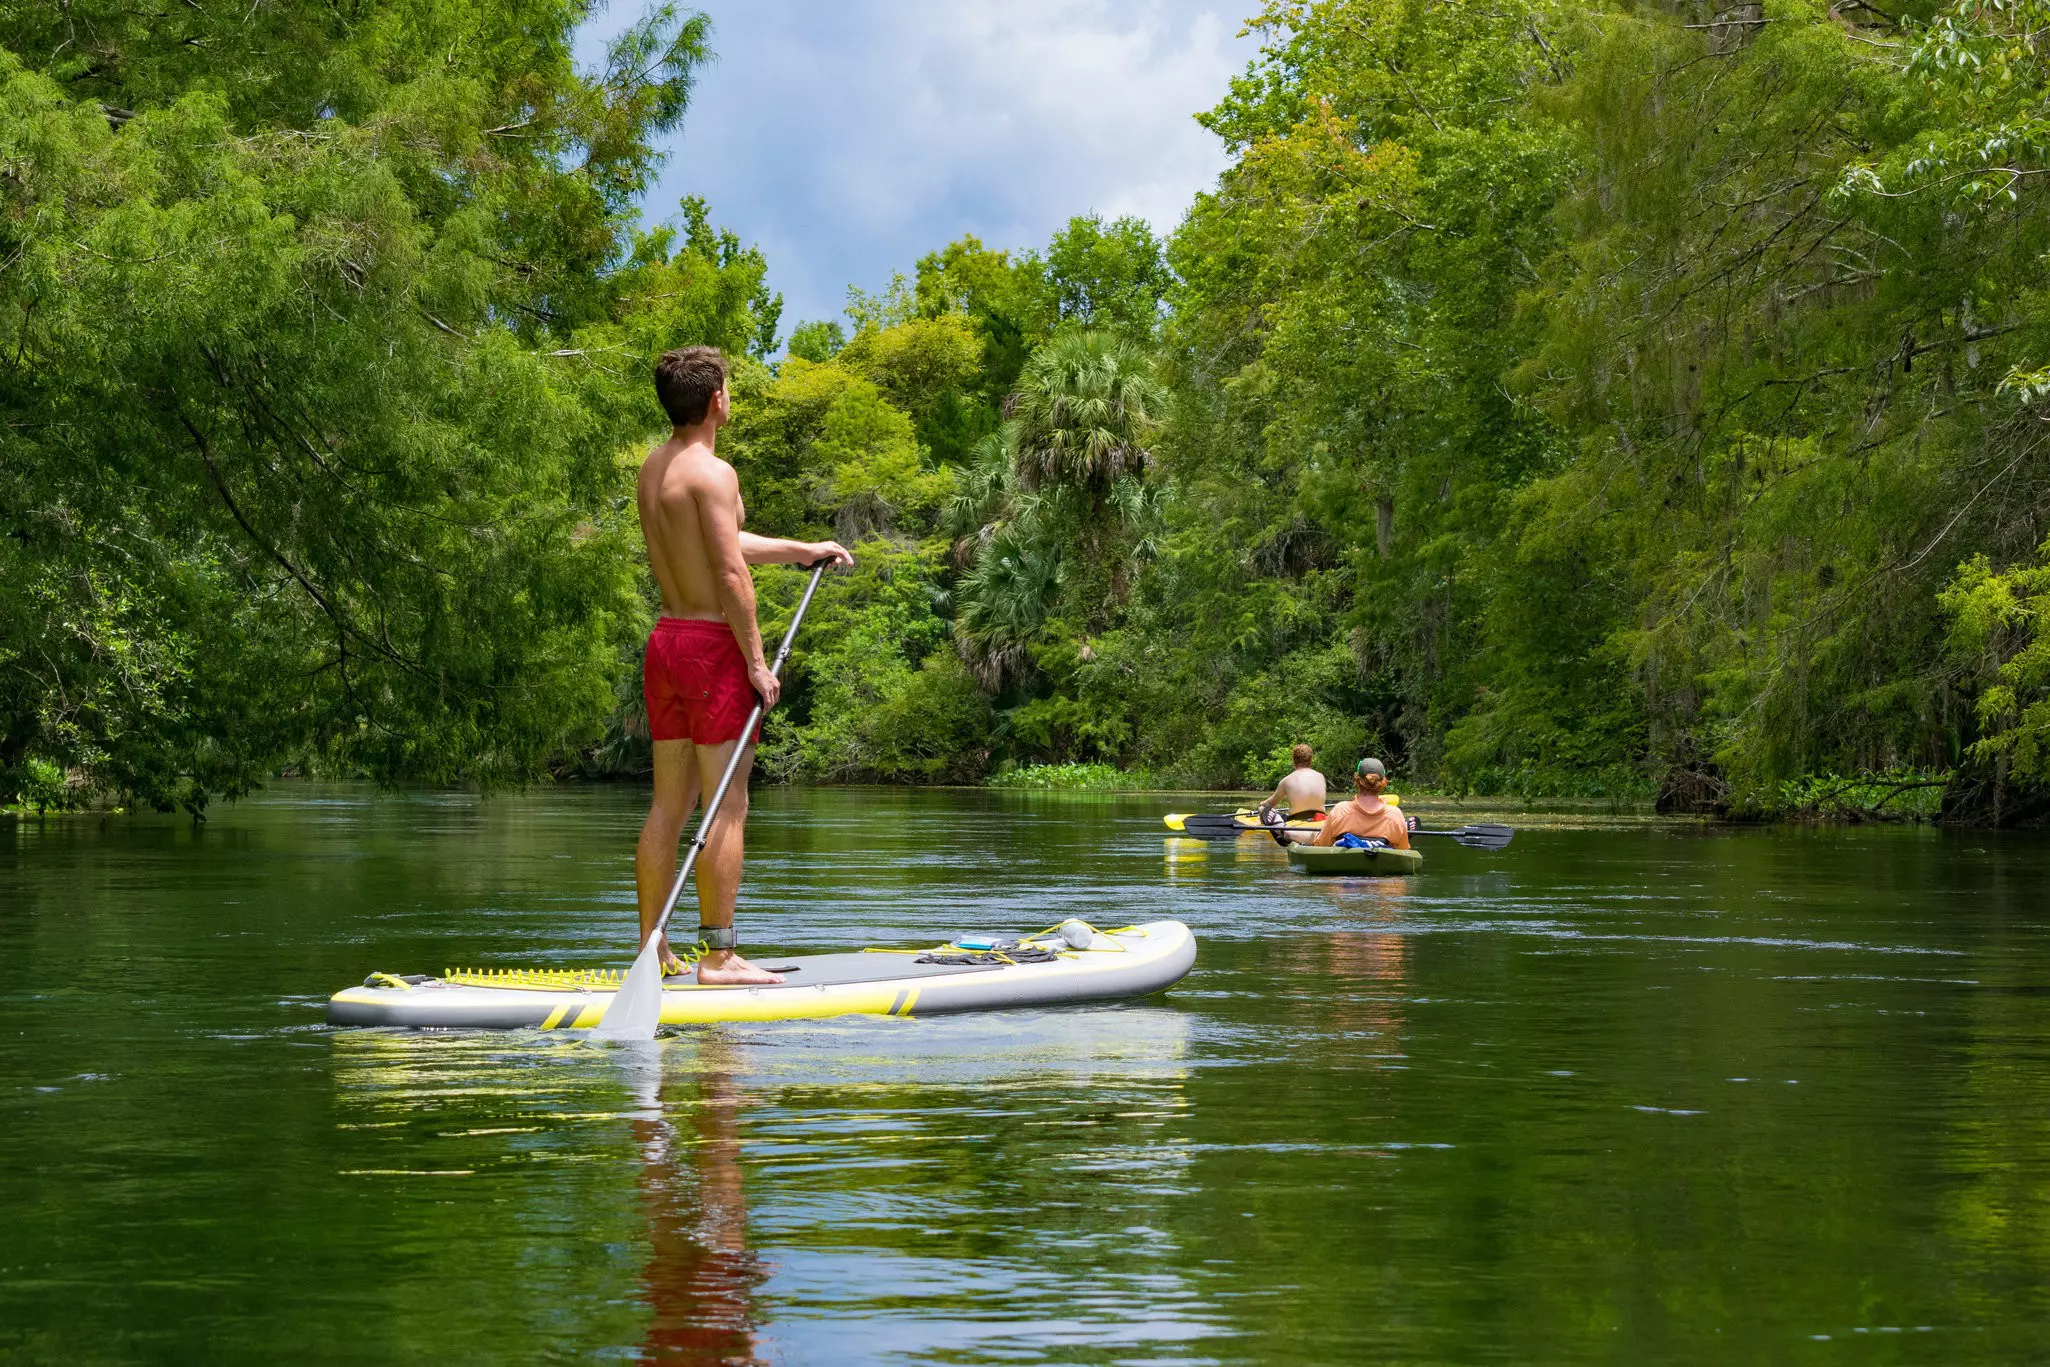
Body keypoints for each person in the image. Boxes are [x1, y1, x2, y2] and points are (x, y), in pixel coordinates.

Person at [635, 345, 852, 985]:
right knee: (727, 804)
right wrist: (756, 661)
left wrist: (800, 550)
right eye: (727, 387)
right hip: (709, 650)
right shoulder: (715, 472)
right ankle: (720, 957)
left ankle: (654, 948)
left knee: (668, 805)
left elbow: (724, 546)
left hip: (667, 641)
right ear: (715, 400)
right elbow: (730, 573)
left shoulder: (655, 469)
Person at [1312, 758, 1414, 849]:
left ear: (1357, 780)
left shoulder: (1340, 810)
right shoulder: (1395, 815)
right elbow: (1403, 850)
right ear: (1383, 783)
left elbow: (1321, 845)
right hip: (1379, 869)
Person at [1258, 743, 1329, 822]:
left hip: (1297, 822)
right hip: (1319, 820)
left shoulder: (1287, 780)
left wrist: (1261, 804)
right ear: (1310, 759)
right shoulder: (1320, 777)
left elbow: (1271, 803)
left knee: (1262, 809)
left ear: (1293, 760)